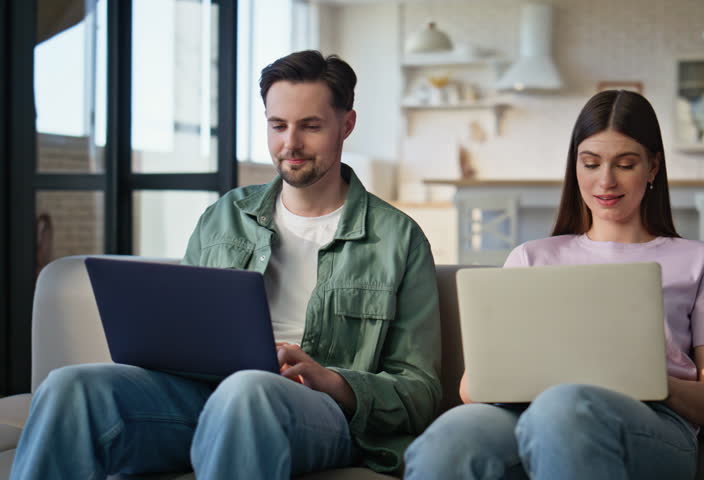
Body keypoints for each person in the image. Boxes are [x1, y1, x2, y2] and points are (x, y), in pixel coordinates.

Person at [11, 50, 442, 480]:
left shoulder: (398, 239)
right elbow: (177, 329)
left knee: (247, 391)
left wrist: (331, 380)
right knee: (70, 387)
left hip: (319, 414)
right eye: (278, 126)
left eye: (310, 126)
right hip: (201, 397)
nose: (290, 144)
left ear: (346, 125)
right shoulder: (225, 215)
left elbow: (420, 392)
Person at [404, 90, 704, 480]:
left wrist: (646, 380)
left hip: (654, 422)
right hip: (527, 411)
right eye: (591, 163)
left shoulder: (702, 260)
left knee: (565, 406)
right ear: (576, 167)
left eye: (625, 164)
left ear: (652, 168)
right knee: (450, 438)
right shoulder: (530, 258)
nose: (605, 180)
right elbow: (471, 389)